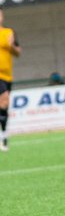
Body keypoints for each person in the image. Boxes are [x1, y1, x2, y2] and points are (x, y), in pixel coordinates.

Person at [0, 10, 21, 152]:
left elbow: (18, 52)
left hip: (7, 75)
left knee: (4, 105)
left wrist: (11, 46)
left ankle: (4, 135)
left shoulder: (9, 33)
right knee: (4, 99)